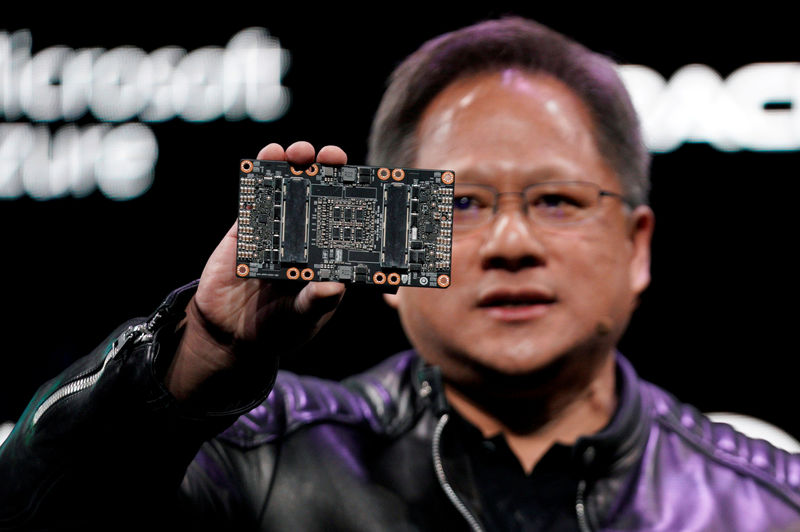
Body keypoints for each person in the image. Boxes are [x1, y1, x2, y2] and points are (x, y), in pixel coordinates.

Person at [2, 16, 800, 532]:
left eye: (557, 201)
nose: (511, 244)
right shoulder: (257, 456)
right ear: (386, 243)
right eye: (459, 207)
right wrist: (199, 355)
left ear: (638, 246)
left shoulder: (771, 505)